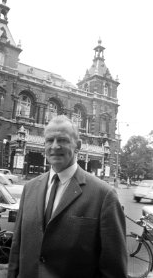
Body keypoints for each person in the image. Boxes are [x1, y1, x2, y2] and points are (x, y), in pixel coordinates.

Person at [8, 115, 127, 278]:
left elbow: (114, 269)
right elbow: (17, 249)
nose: (55, 146)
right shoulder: (30, 188)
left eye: (62, 140)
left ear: (77, 146)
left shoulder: (104, 195)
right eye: (50, 140)